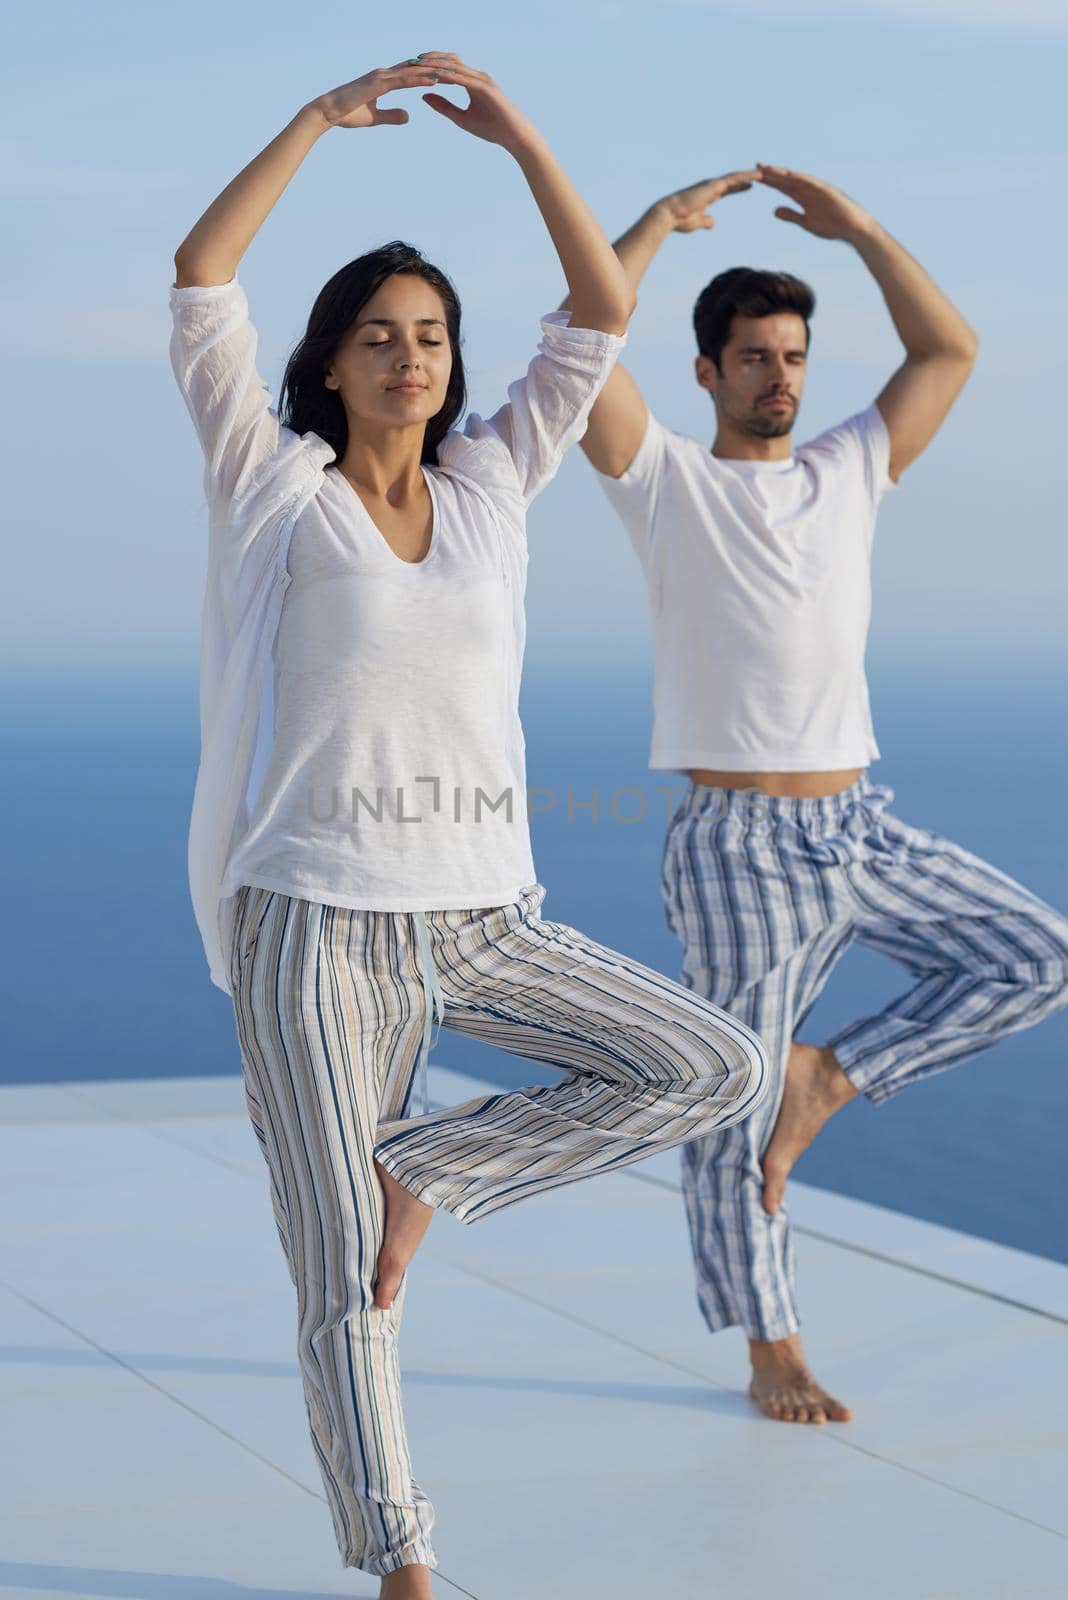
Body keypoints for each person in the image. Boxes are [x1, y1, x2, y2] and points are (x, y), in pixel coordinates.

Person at [169, 59, 770, 1597]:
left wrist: (523, 144)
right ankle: (403, 1564)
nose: (410, 356)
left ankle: (437, 1170)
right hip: (316, 920)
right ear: (330, 363)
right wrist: (310, 121)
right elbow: (202, 276)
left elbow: (596, 309)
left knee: (714, 1064)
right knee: (344, 1285)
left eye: (431, 336)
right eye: (378, 335)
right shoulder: (273, 489)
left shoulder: (497, 480)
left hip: (485, 911)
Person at [573, 165, 1068, 1429]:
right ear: (707, 372)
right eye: (752, 356)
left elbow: (948, 345)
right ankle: (770, 1342)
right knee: (724, 1095)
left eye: (792, 354)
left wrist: (859, 233)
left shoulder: (849, 466)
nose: (779, 376)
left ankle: (832, 1078)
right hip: (741, 843)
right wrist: (646, 230)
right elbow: (579, 343)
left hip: (859, 820)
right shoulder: (666, 480)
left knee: (1038, 956)